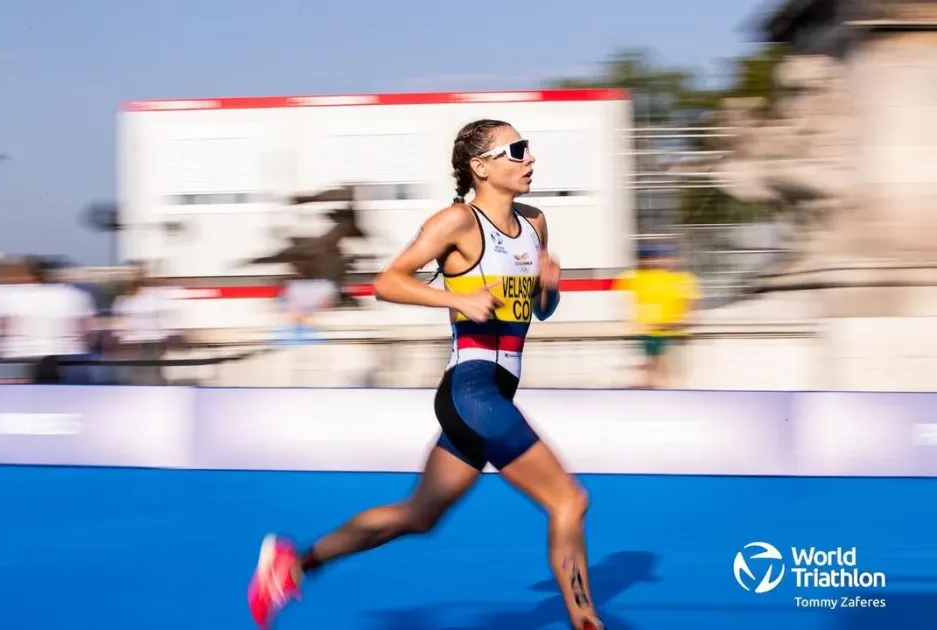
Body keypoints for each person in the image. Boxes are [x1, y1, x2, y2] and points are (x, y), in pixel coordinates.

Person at [247, 119, 604, 630]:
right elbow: (387, 282)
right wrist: (458, 298)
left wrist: (548, 288)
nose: (530, 159)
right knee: (569, 500)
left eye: (528, 149)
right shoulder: (457, 222)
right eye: (516, 150)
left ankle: (293, 564)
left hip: (494, 395)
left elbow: (539, 311)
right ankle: (586, 619)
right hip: (472, 390)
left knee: (418, 517)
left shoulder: (535, 223)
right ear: (481, 167)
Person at [612, 242, 699, 388]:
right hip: (651, 332)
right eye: (647, 258)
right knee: (657, 372)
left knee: (670, 372)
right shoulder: (636, 277)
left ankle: (659, 387)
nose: (656, 262)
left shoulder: (683, 278)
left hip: (673, 332)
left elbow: (691, 303)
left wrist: (683, 321)